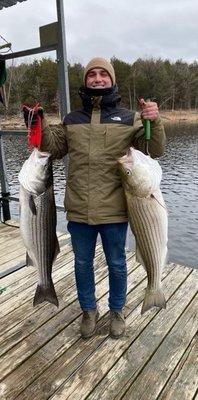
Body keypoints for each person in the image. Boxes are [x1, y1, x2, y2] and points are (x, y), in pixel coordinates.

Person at [24, 57, 166, 339]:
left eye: (103, 74)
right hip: (78, 210)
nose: (98, 79)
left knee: (116, 263)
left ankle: (116, 311)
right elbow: (53, 146)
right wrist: (38, 124)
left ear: (112, 80)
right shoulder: (72, 119)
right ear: (86, 80)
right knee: (81, 264)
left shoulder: (129, 117)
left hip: (115, 210)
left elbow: (155, 149)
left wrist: (155, 120)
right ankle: (89, 311)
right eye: (92, 75)